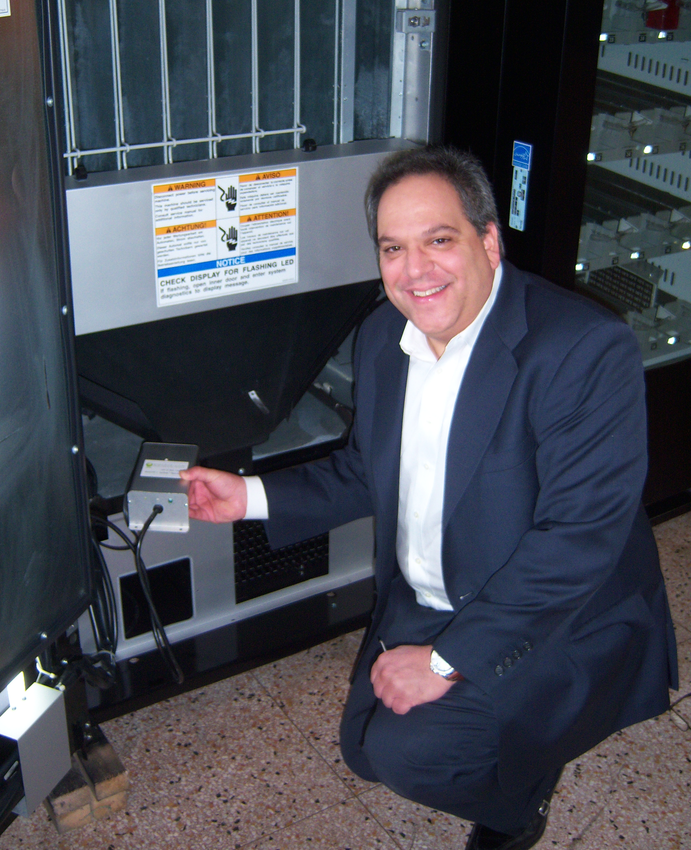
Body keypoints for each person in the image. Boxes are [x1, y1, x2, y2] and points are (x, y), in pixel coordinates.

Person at [181, 147, 677, 850]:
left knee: (407, 754)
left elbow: (578, 542)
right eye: (394, 248)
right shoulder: (385, 336)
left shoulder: (583, 350)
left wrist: (447, 661)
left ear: (488, 241)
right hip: (435, 591)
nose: (415, 271)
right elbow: (365, 470)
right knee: (363, 749)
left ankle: (519, 803)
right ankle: (496, 740)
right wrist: (249, 498)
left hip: (559, 615)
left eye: (438, 240)